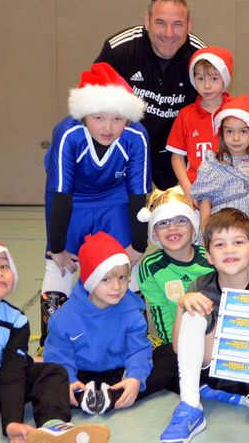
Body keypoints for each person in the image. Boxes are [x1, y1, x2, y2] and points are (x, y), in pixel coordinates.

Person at [0, 239, 110, 442]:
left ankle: (53, 426)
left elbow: (12, 375)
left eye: (4, 266)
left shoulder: (16, 321)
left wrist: (12, 423)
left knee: (52, 371)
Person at [160, 209, 249, 443]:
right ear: (208, 255)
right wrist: (181, 306)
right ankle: (190, 407)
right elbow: (177, 348)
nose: (229, 250)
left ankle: (240, 399)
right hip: (209, 367)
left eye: (238, 242)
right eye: (219, 244)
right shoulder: (199, 286)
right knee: (195, 311)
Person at [40, 62, 150, 347]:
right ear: (84, 115)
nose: (108, 127)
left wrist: (139, 244)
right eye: (99, 118)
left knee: (126, 264)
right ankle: (52, 338)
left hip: (116, 197)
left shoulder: (136, 136)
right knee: (59, 267)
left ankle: (136, 333)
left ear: (127, 117)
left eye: (117, 119)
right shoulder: (67, 134)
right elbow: (58, 195)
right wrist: (57, 246)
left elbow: (138, 195)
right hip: (73, 199)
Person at [44, 232, 178, 416]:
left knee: (170, 354)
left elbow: (138, 350)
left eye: (122, 278)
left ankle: (113, 396)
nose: (116, 287)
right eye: (105, 279)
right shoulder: (64, 318)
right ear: (89, 281)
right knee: (46, 379)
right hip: (80, 374)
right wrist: (68, 382)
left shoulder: (131, 310)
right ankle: (90, 397)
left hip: (119, 372)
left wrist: (135, 378)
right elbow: (59, 357)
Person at [96, 0, 206, 190]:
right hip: (125, 149)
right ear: (147, 21)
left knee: (179, 218)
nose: (169, 33)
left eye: (178, 24)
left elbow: (210, 114)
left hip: (174, 156)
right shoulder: (120, 50)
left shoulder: (200, 57)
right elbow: (92, 108)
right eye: (160, 23)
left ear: (189, 25)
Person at [191, 95, 249, 276]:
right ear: (221, 133)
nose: (235, 138)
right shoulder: (214, 163)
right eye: (229, 131)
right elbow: (205, 202)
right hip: (224, 231)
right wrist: (206, 234)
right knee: (226, 272)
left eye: (243, 131)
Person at [136, 188, 213, 344]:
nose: (172, 228)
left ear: (193, 227)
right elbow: (162, 318)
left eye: (180, 220)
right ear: (154, 233)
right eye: (163, 223)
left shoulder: (211, 258)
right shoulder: (150, 267)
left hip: (215, 340)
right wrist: (175, 350)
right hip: (177, 342)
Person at [166, 47, 234, 205]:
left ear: (225, 78)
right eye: (201, 79)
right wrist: (187, 187)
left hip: (232, 192)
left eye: (214, 79)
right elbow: (177, 157)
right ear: (193, 79)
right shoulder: (185, 115)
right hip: (197, 194)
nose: (207, 86)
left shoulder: (237, 111)